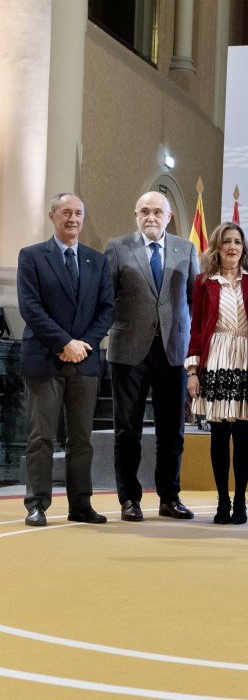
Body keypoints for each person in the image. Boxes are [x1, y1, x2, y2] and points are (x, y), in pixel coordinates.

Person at [17, 193, 114, 526]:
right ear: (52, 216)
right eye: (66, 213)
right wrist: (64, 342)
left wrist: (82, 344)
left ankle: (81, 504)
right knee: (41, 436)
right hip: (44, 359)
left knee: (81, 439)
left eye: (78, 213)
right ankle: (37, 504)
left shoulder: (97, 261)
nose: (73, 219)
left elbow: (106, 310)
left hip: (84, 362)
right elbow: (31, 308)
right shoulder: (31, 257)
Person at [105, 191, 199, 522]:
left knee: (172, 431)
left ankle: (169, 498)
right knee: (127, 430)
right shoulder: (118, 249)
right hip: (128, 352)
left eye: (157, 212)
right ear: (135, 214)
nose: (151, 218)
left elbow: (193, 302)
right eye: (144, 211)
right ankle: (129, 499)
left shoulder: (186, 249)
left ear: (169, 216)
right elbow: (107, 297)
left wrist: (194, 353)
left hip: (173, 351)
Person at [185, 222, 248, 525]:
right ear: (217, 248)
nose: (232, 247)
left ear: (244, 247)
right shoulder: (203, 280)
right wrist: (193, 370)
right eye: (226, 242)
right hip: (217, 355)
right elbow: (196, 327)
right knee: (219, 432)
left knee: (244, 432)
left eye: (237, 242)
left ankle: (241, 501)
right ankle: (222, 501)